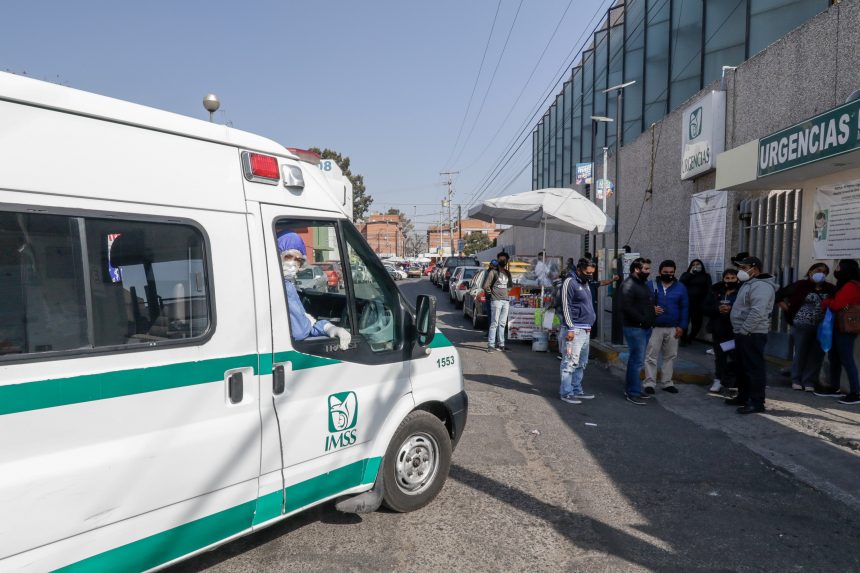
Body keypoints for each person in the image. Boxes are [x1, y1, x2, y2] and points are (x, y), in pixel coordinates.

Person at [277, 232, 351, 349]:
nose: (292, 264)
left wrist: (328, 328)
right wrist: (321, 326)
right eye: (288, 257)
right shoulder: (277, 287)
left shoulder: (288, 286)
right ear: (277, 255)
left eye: (298, 260)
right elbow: (299, 331)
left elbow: (302, 321)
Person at [727, 256, 778, 414]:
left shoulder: (761, 286)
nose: (740, 271)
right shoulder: (749, 284)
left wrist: (744, 330)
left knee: (754, 368)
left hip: (752, 334)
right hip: (743, 333)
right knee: (742, 367)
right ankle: (743, 396)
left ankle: (757, 402)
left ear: (754, 269)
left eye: (743, 268)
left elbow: (757, 311)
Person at [776, 263, 836, 391]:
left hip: (821, 327)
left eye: (824, 272)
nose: (821, 273)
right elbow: (778, 295)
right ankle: (796, 379)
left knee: (816, 354)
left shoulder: (830, 288)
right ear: (810, 271)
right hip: (801, 325)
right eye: (818, 270)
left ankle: (809, 381)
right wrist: (787, 309)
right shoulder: (800, 285)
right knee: (800, 352)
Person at [643, 260, 688, 394]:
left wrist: (682, 326)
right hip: (654, 327)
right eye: (665, 272)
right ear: (659, 272)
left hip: (673, 327)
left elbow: (685, 308)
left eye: (671, 273)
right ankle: (649, 383)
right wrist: (651, 309)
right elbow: (641, 303)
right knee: (651, 356)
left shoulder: (680, 287)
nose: (669, 275)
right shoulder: (650, 285)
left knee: (670, 356)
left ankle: (667, 383)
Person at [819, 259, 860, 404]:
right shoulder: (844, 285)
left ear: (846, 270)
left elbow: (837, 305)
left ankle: (856, 392)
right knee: (834, 356)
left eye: (839, 267)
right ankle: (834, 387)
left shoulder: (851, 286)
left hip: (846, 328)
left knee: (847, 359)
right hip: (837, 326)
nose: (836, 270)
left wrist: (826, 303)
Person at [558, 258, 597, 404]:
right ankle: (566, 392)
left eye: (592, 273)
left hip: (586, 329)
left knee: (581, 362)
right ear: (579, 270)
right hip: (574, 329)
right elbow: (565, 306)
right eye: (588, 272)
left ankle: (576, 389)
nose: (590, 275)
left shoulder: (585, 283)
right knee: (570, 362)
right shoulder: (570, 282)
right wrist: (570, 328)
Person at [620, 257, 656, 405]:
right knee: (637, 361)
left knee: (636, 360)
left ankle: (633, 388)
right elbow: (627, 307)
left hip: (644, 327)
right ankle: (633, 392)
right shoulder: (628, 284)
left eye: (649, 269)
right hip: (635, 327)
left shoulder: (642, 284)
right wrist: (642, 320)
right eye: (646, 269)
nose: (648, 271)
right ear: (637, 269)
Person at [702, 269, 740, 393]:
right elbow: (705, 308)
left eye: (732, 278)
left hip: (735, 330)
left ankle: (735, 381)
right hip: (719, 329)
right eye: (727, 278)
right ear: (723, 279)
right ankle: (718, 379)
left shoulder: (741, 291)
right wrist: (718, 309)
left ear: (737, 279)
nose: (730, 280)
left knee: (736, 356)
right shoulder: (715, 291)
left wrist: (732, 309)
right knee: (720, 356)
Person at [483, 250, 512, 352]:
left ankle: (501, 344)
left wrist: (506, 293)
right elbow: (486, 286)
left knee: (502, 323)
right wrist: (492, 295)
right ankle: (491, 345)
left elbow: (509, 287)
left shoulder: (508, 273)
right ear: (498, 259)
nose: (503, 260)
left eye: (505, 259)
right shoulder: (493, 272)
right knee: (494, 323)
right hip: (496, 301)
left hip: (505, 301)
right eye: (501, 258)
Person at [679, 259, 712, 344]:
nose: (696, 266)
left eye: (698, 264)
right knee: (684, 321)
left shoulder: (706, 276)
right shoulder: (686, 274)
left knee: (697, 323)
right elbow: (680, 283)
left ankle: (690, 338)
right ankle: (683, 339)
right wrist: (690, 273)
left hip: (699, 303)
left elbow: (709, 289)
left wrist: (706, 302)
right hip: (686, 302)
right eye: (693, 264)